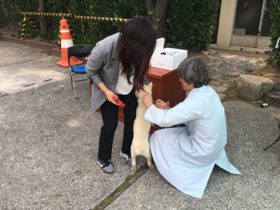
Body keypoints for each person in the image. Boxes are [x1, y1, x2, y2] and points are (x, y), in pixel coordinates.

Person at [142, 57, 241, 199]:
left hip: (202, 152)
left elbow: (165, 120)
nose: (179, 80)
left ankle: (179, 170)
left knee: (158, 137)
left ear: (193, 78)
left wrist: (149, 104)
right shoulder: (208, 92)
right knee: (172, 133)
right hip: (215, 147)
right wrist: (168, 109)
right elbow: (191, 115)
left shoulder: (196, 100)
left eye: (182, 77)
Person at [86, 16, 156, 174]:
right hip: (109, 90)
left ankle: (126, 150)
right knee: (110, 125)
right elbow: (90, 71)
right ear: (130, 41)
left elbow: (142, 72)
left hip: (129, 89)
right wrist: (107, 91)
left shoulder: (139, 49)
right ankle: (103, 158)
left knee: (131, 120)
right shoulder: (104, 47)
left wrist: (147, 90)